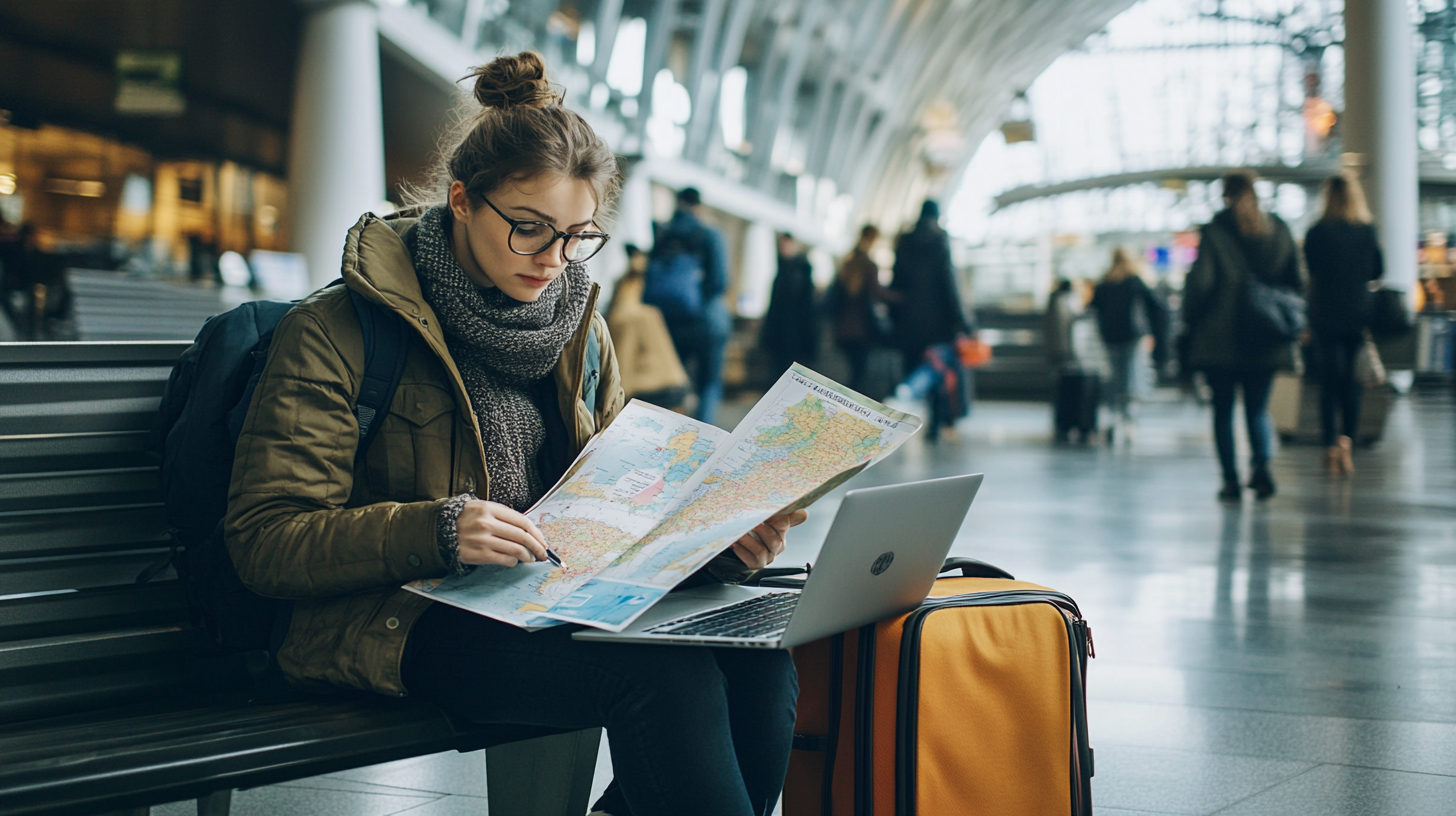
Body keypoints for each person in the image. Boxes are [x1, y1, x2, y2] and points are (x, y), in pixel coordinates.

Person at [224, 52, 805, 816]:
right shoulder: (338, 330)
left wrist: (713, 542)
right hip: (399, 616)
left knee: (760, 661)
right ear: (463, 201)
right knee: (664, 680)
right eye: (528, 230)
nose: (553, 261)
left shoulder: (579, 332)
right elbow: (265, 539)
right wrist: (439, 530)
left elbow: (620, 500)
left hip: (549, 602)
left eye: (576, 236)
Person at [1182, 171, 1303, 501]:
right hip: (1266, 335)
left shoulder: (1216, 230)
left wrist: (1190, 318)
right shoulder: (1278, 228)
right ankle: (1262, 468)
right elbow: (1297, 278)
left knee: (1222, 411)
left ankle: (1230, 480)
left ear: (1225, 196)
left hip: (1219, 339)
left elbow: (1201, 283)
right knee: (1258, 409)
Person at [1304, 172, 1384, 475]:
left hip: (1325, 314)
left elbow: (1311, 271)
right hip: (1358, 315)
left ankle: (1328, 446)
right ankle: (1347, 444)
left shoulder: (1317, 232)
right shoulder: (1367, 231)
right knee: (1353, 382)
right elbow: (1377, 269)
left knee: (1328, 382)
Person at [649, 187, 730, 424]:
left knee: (676, 380)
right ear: (698, 206)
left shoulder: (664, 233)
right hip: (708, 322)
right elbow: (720, 281)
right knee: (709, 383)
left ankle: (672, 430)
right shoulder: (710, 233)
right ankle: (702, 433)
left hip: (672, 320)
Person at [1089, 248, 1166, 441]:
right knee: (1130, 378)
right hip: (1133, 336)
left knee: (1115, 376)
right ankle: (1129, 421)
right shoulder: (1134, 281)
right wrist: (1155, 333)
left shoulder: (1105, 282)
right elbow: (1156, 305)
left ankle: (1113, 419)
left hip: (1110, 337)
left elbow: (1093, 307)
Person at [889, 200, 970, 375]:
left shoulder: (904, 242)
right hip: (938, 328)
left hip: (907, 325)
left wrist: (895, 320)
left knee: (910, 378)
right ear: (937, 216)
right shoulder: (940, 242)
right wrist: (964, 323)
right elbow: (950, 285)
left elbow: (895, 285)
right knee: (936, 376)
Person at [607, 244, 691, 410]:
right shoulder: (650, 313)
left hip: (649, 392)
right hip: (676, 385)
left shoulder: (624, 317)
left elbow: (623, 362)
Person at [829, 224, 896, 395]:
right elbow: (877, 293)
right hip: (862, 330)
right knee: (860, 373)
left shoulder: (848, 263)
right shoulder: (868, 265)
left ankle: (846, 404)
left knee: (853, 371)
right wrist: (903, 297)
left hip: (843, 329)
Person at [759, 232, 819, 379]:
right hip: (783, 336)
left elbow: (806, 310)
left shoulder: (799, 272)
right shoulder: (783, 270)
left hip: (792, 336)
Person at [1043, 277, 1079, 372]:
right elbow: (1070, 319)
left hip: (1054, 342)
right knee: (1063, 367)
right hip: (1064, 343)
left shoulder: (1053, 300)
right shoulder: (1065, 300)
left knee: (1057, 367)